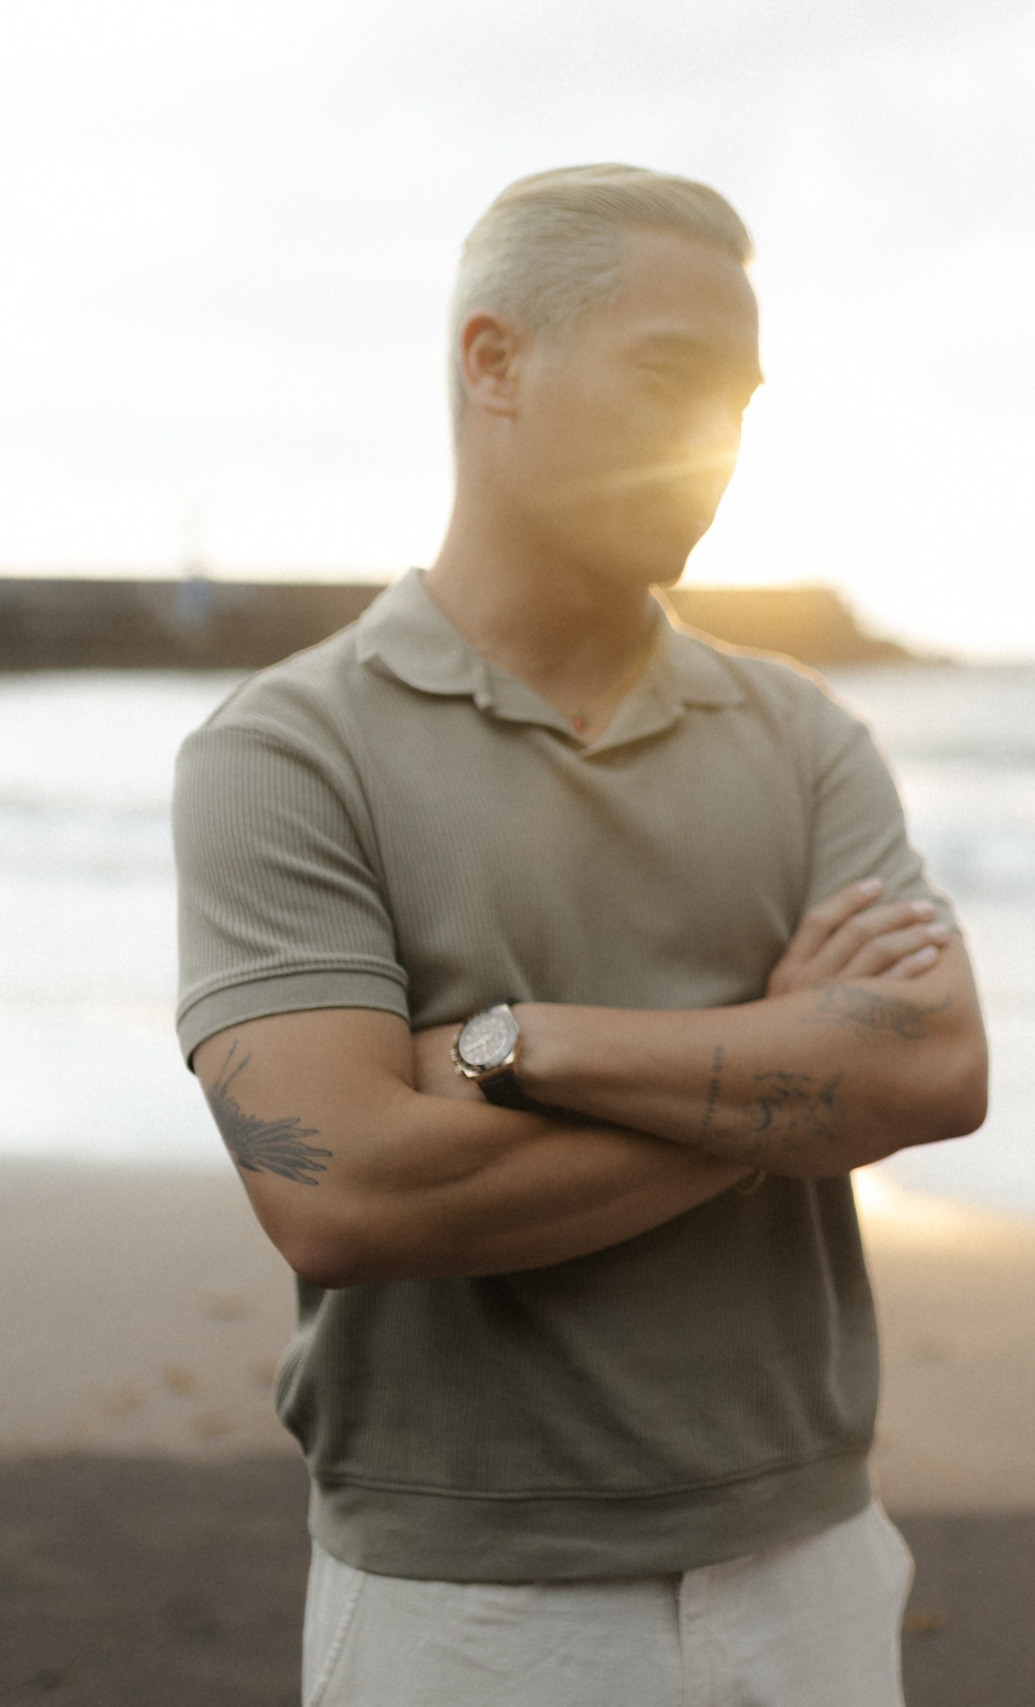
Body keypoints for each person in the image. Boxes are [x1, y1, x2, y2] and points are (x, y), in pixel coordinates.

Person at [172, 165, 988, 1707]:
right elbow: (337, 1189)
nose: (717, 447)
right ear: (495, 362)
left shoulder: (804, 731)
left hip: (808, 1567)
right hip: (463, 1598)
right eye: (671, 378)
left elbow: (937, 1071)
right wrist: (787, 1069)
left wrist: (522, 1044)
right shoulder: (282, 751)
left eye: (741, 400)